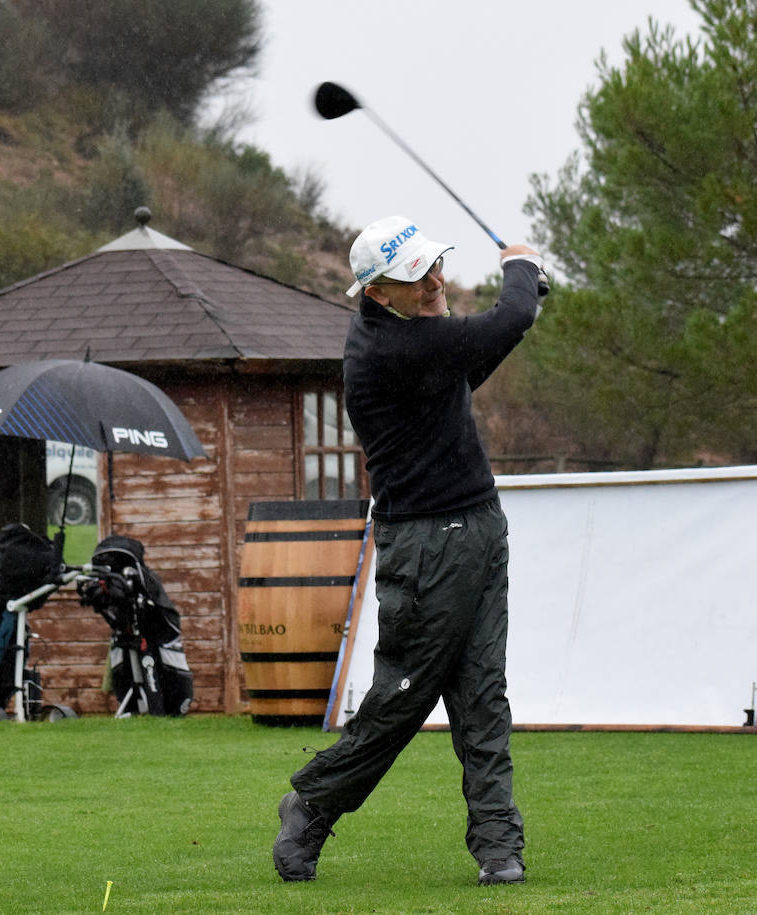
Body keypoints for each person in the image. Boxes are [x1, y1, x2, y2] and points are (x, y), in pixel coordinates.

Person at [272, 216, 546, 885]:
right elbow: (501, 321)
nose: (433, 282)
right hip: (426, 546)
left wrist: (525, 306)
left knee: (484, 694)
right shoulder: (389, 348)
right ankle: (312, 801)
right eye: (414, 277)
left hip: (478, 526)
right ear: (377, 292)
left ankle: (497, 845)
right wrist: (521, 267)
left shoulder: (414, 339)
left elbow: (477, 356)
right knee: (402, 698)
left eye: (433, 267)